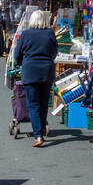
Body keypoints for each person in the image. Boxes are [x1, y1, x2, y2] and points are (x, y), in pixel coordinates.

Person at [11, 8, 57, 147]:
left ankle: (38, 135)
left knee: (33, 104)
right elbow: (54, 52)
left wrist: (21, 62)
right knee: (43, 103)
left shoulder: (25, 34)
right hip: (46, 71)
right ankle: (41, 128)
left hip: (30, 71)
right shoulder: (50, 33)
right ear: (44, 20)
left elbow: (17, 55)